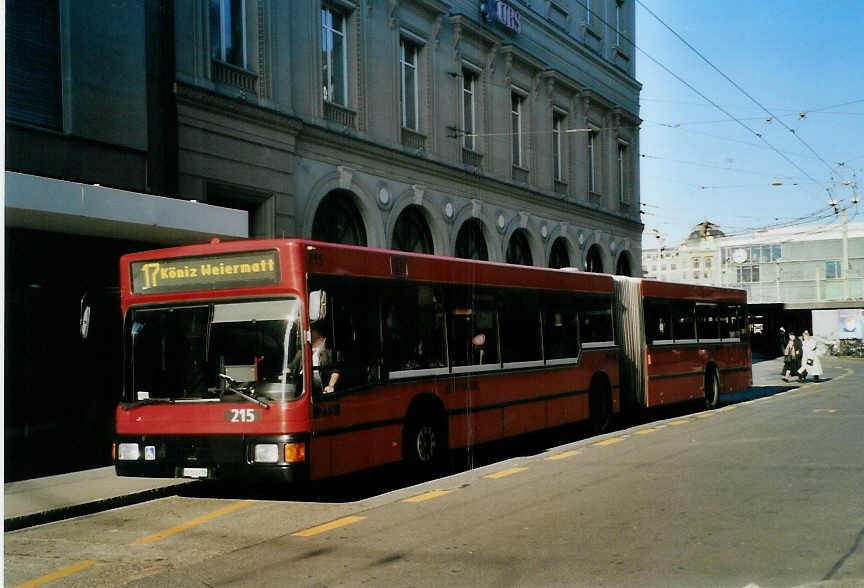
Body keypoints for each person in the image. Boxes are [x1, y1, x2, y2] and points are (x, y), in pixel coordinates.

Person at [310, 326, 340, 394]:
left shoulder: (331, 353)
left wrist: (330, 385)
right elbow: (292, 365)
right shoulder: (302, 353)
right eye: (313, 339)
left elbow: (336, 370)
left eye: (317, 338)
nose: (315, 341)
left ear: (323, 340)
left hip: (322, 387)